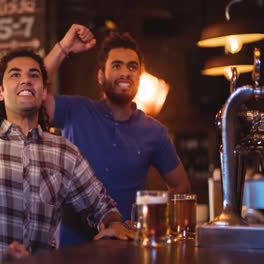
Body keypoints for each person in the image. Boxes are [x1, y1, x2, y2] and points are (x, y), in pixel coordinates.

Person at [0, 49, 132, 262]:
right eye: (15, 74)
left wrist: (114, 223)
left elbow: (102, 207)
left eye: (34, 75)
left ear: (44, 92)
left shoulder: (65, 152)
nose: (26, 80)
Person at [43, 24, 192, 246]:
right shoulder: (75, 111)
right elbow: (35, 91)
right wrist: (64, 47)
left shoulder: (155, 131)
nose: (125, 72)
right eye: (117, 65)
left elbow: (182, 187)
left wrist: (148, 222)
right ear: (100, 75)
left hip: (126, 248)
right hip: (72, 250)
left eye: (132, 67)